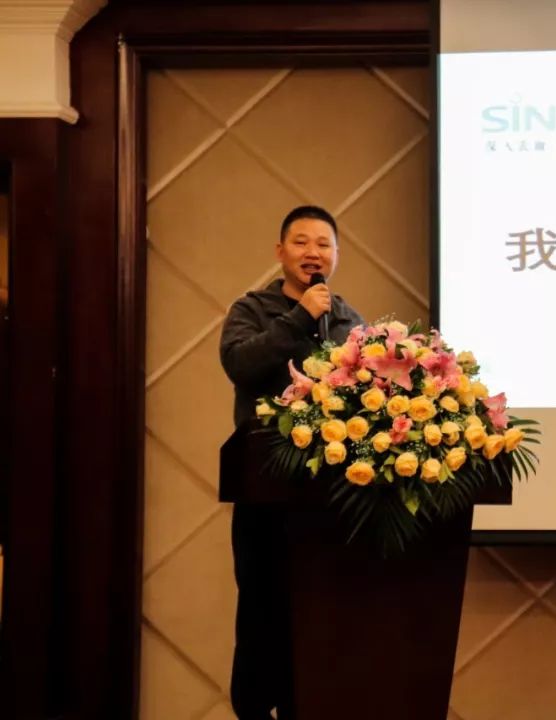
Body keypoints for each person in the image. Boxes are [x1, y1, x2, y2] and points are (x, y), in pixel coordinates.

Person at [219, 206, 364, 720]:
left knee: (322, 614)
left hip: (333, 497)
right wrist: (299, 316)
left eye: (324, 244)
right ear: (280, 251)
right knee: (263, 610)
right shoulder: (252, 309)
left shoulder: (348, 321)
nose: (313, 253)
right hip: (267, 491)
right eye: (301, 242)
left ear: (337, 255)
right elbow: (240, 364)